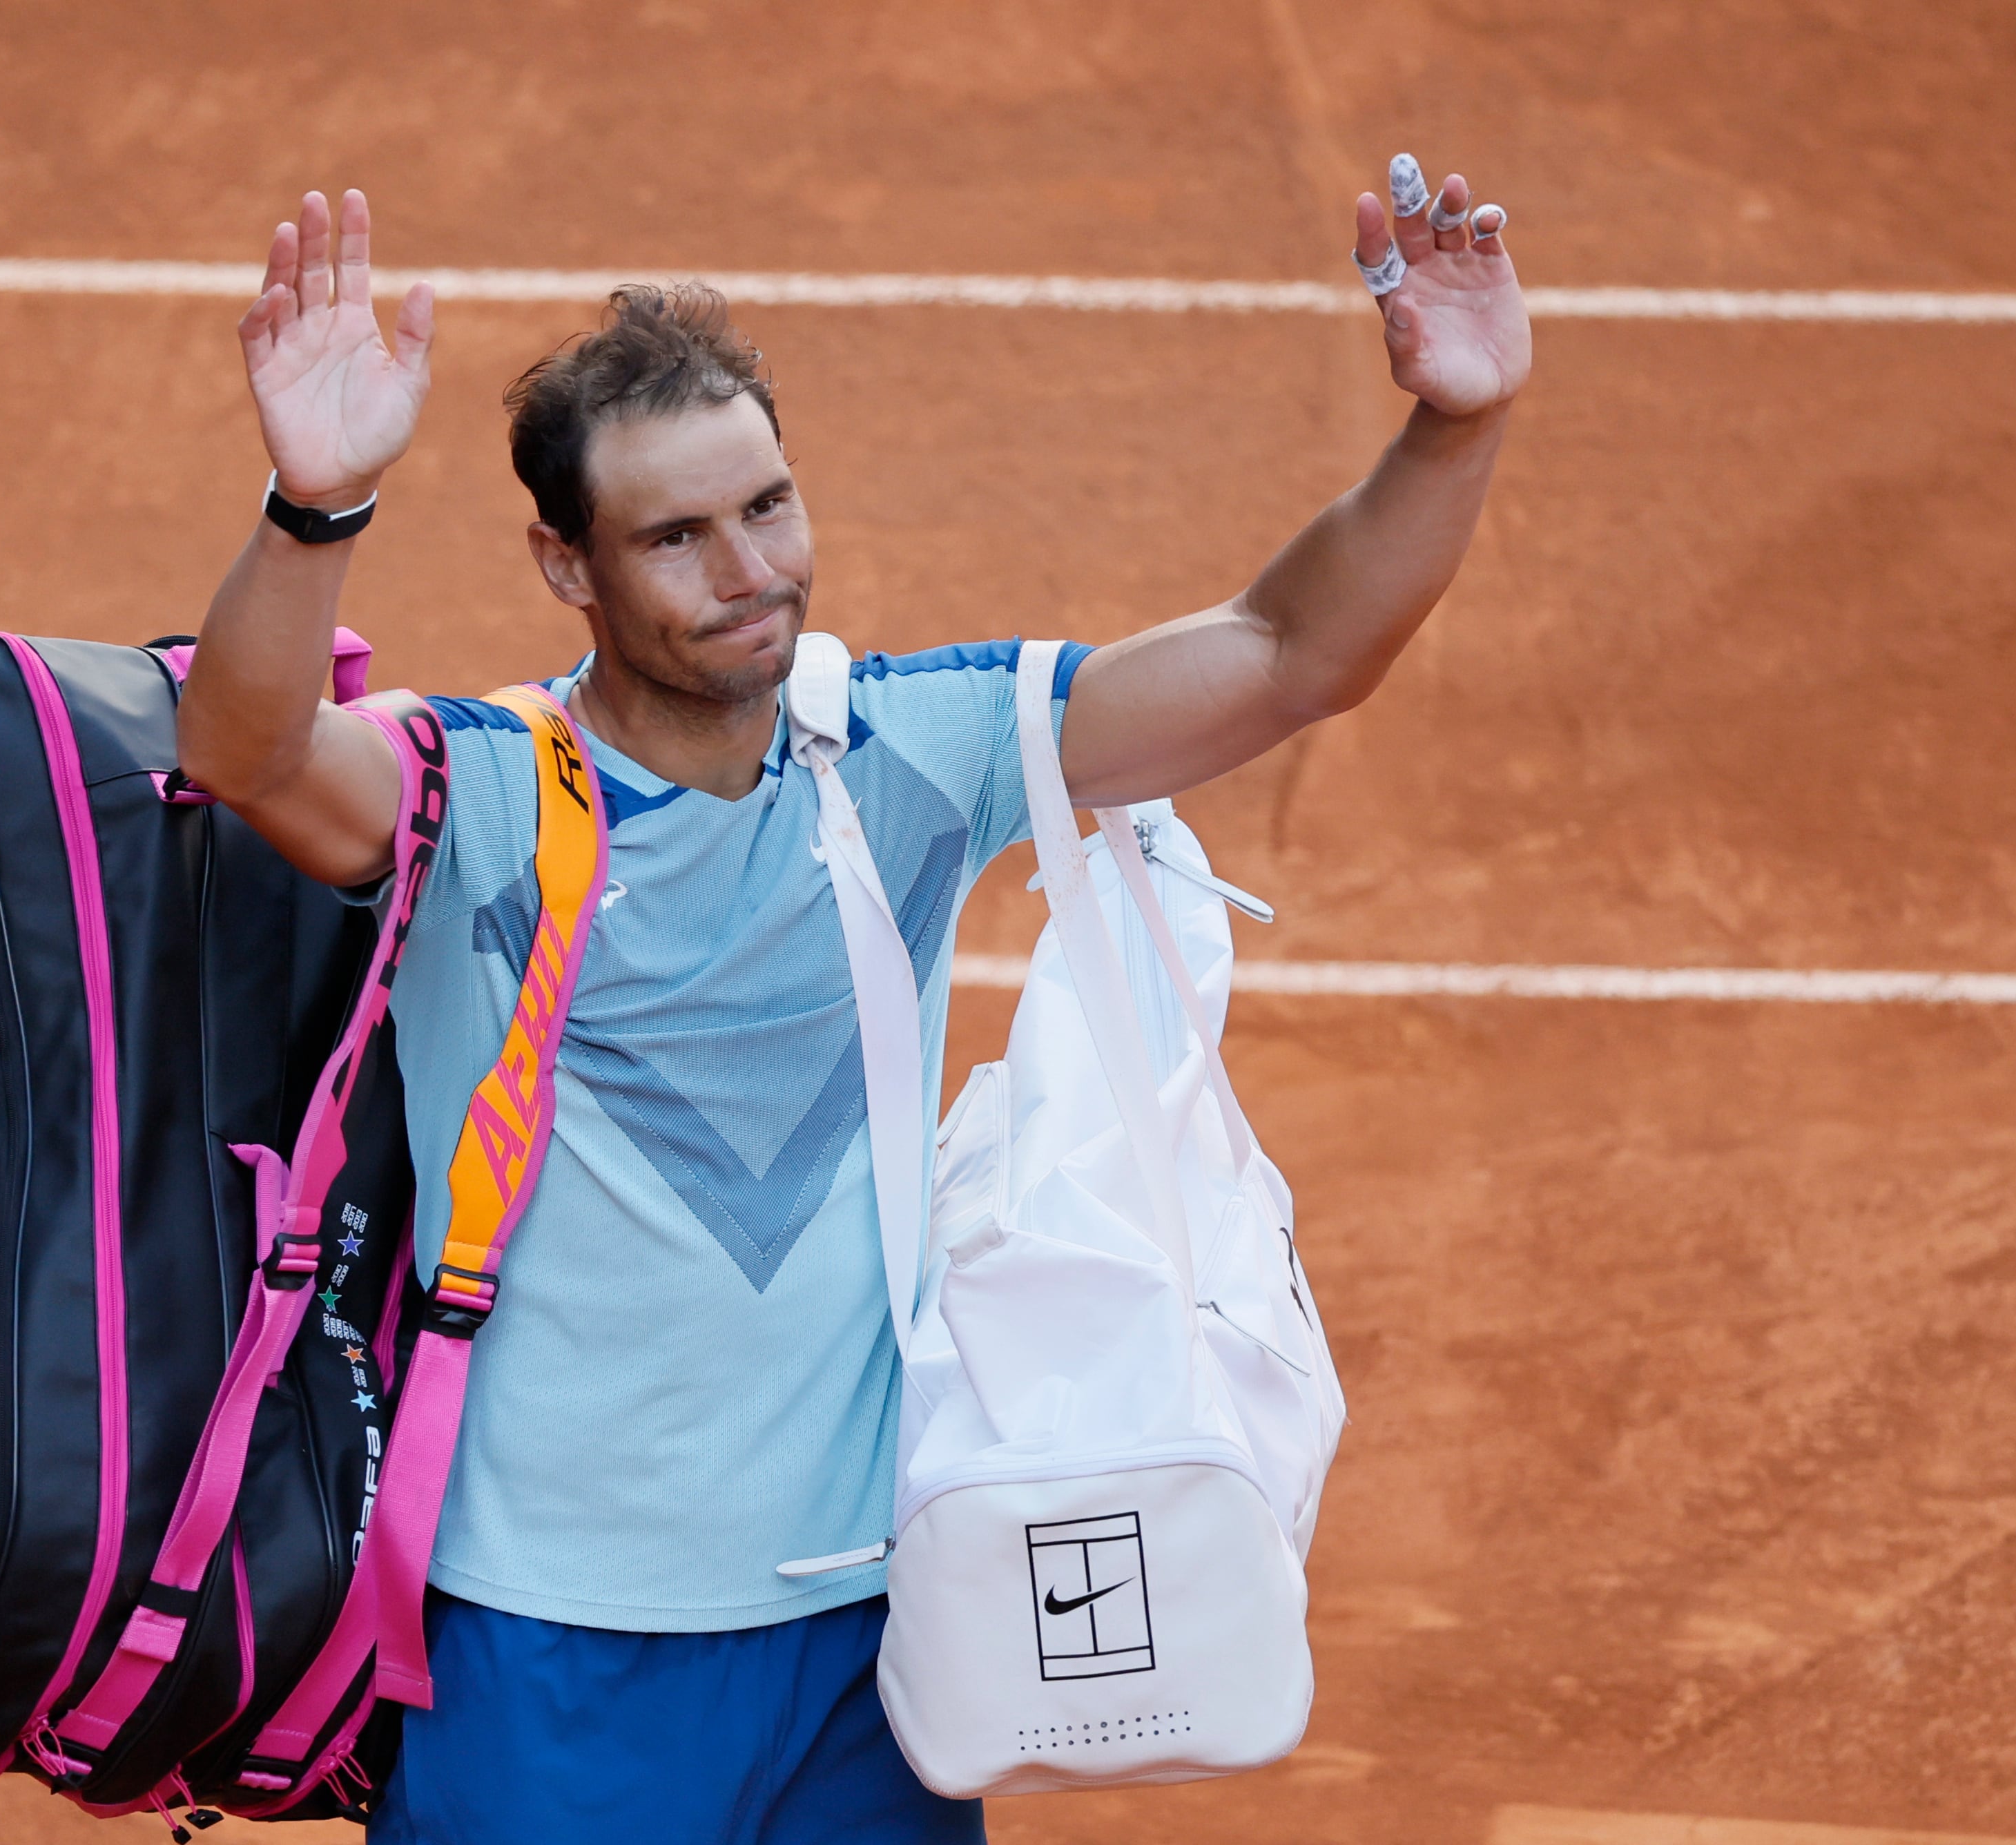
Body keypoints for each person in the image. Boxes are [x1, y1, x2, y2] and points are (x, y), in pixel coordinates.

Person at [177, 168, 1529, 1843]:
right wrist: (315, 507)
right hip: (546, 1642)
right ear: (564, 565)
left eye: (767, 504)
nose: (749, 570)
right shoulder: (485, 791)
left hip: (871, 1645)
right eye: (674, 536)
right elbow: (244, 751)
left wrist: (1450, 432)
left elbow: (1284, 652)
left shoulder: (912, 752)